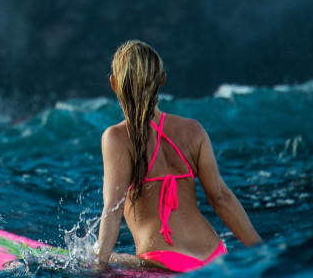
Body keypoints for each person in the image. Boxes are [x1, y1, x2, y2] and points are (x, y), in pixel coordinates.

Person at [95, 40, 261, 272]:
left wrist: (99, 265)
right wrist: (262, 252)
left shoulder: (117, 137)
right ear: (162, 80)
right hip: (214, 255)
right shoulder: (193, 130)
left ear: (113, 83)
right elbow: (220, 197)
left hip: (163, 263)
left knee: (97, 257)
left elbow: (113, 208)